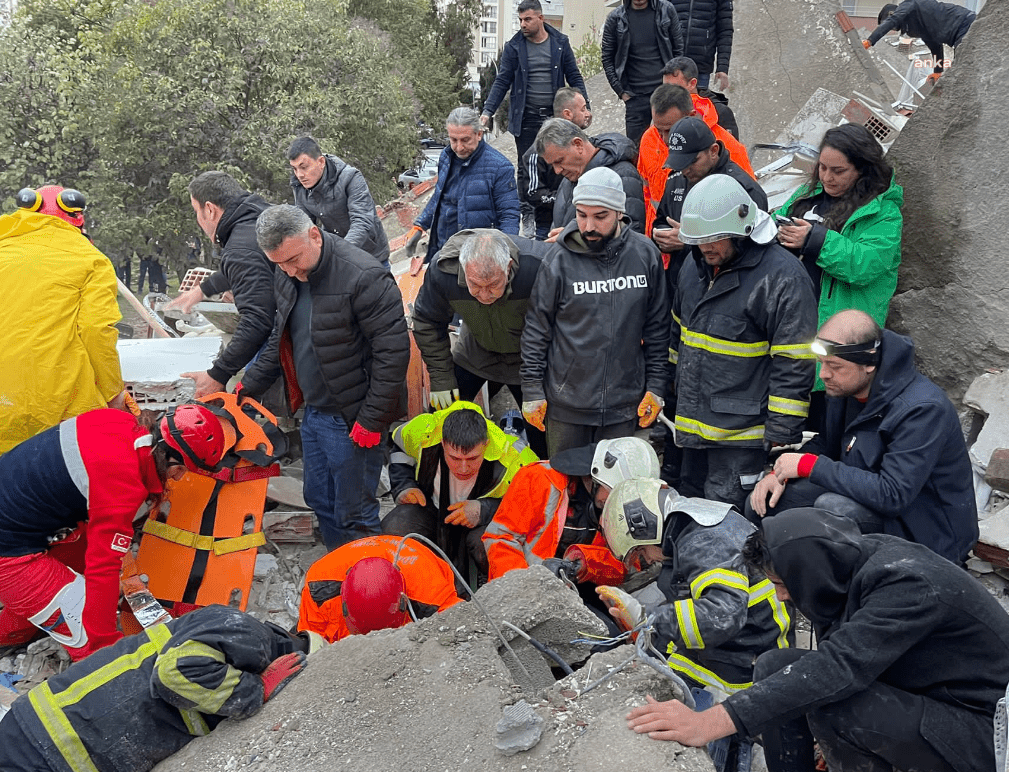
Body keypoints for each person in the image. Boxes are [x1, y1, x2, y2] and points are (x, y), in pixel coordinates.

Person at [626, 508, 1009, 772]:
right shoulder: (846, 560)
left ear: (808, 572)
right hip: (933, 699)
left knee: (833, 704)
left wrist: (708, 722)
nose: (779, 596)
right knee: (776, 666)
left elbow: (839, 667)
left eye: (779, 583)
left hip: (984, 732)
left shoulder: (909, 584)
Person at [0, 404, 232, 660]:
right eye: (181, 471)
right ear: (172, 461)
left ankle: (13, 631)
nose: (177, 478)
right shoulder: (122, 483)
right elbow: (104, 567)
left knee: (77, 569)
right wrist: (105, 647)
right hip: (9, 551)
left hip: (21, 519)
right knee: (89, 635)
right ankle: (84, 651)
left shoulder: (116, 421)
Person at [239, 205, 409, 551]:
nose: (289, 270)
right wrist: (249, 383)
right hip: (314, 412)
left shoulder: (364, 276)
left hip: (353, 417)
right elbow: (282, 336)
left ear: (314, 234)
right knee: (319, 499)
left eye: (293, 259)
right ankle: (339, 568)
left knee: (355, 511)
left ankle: (369, 584)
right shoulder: (289, 274)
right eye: (280, 264)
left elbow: (392, 357)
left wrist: (372, 420)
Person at [748, 310, 978, 565]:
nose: (823, 375)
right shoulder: (846, 389)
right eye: (821, 363)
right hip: (864, 498)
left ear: (869, 364)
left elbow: (893, 495)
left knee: (833, 509)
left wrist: (809, 466)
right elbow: (827, 444)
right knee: (765, 503)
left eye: (834, 366)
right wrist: (780, 472)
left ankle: (842, 590)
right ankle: (777, 582)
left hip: (926, 532)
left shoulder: (922, 410)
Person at [0, 604, 317, 772]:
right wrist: (253, 690)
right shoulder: (251, 636)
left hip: (51, 738)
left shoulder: (231, 638)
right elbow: (175, 672)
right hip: (49, 745)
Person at [669, 174, 817, 510]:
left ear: (743, 229)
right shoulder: (695, 268)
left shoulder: (783, 278)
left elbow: (794, 362)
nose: (706, 247)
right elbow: (679, 337)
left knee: (727, 518)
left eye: (715, 238)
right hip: (692, 428)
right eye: (699, 239)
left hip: (742, 438)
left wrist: (782, 430)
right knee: (689, 511)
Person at [652, 115, 768, 490]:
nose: (684, 173)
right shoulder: (678, 181)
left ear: (714, 151)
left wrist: (687, 243)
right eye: (679, 165)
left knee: (723, 481)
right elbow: (660, 223)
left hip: (730, 322)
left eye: (691, 163)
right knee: (686, 466)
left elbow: (749, 251)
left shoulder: (744, 192)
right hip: (687, 296)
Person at [521, 167, 668, 456]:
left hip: (625, 405)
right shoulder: (558, 261)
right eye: (581, 214)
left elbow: (658, 329)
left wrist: (657, 385)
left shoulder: (645, 254)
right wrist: (532, 390)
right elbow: (537, 330)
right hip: (567, 407)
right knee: (566, 487)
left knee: (616, 492)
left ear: (619, 213)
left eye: (600, 216)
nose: (588, 226)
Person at [599, 478, 792, 696]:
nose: (647, 560)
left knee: (659, 694)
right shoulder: (690, 525)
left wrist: (650, 619)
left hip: (746, 654)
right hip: (746, 637)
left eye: (640, 552)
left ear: (646, 528)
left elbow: (723, 617)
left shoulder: (705, 542)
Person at [775, 124, 903, 429]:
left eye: (838, 170)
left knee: (827, 431)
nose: (827, 177)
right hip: (793, 330)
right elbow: (773, 221)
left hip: (843, 344)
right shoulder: (808, 195)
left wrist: (816, 241)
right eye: (822, 167)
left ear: (861, 169)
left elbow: (866, 264)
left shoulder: (883, 212)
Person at [0, 185, 127, 454]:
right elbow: (95, 331)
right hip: (58, 409)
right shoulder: (91, 260)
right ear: (77, 219)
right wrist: (113, 393)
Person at [411, 228, 551, 457]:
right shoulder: (443, 272)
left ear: (508, 267)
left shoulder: (539, 265)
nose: (484, 296)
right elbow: (427, 321)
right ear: (464, 269)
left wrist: (538, 386)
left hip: (529, 360)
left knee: (543, 434)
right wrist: (441, 377)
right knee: (441, 421)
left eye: (494, 285)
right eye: (475, 285)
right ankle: (440, 483)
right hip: (476, 350)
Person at [381, 402, 537, 577]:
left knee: (492, 545)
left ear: (486, 444)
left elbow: (535, 507)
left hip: (485, 524)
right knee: (396, 527)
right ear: (442, 442)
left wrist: (484, 509)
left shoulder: (516, 457)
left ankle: (494, 588)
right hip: (431, 510)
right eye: (455, 458)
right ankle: (412, 583)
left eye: (472, 458)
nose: (463, 468)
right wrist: (404, 486)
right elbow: (398, 447)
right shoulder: (423, 430)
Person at [483, 437, 660, 584]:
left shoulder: (620, 506)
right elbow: (501, 539)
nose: (617, 503)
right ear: (598, 477)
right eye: (614, 494)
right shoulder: (538, 479)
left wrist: (585, 562)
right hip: (525, 582)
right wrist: (526, 583)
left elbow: (626, 565)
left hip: (581, 589)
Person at [163, 171, 276, 398]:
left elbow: (257, 320)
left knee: (249, 402)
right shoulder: (258, 217)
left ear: (210, 209)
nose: (198, 219)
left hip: (299, 345)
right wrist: (202, 290)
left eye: (196, 211)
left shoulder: (241, 247)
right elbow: (240, 268)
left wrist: (218, 375)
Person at [405, 107, 520, 276]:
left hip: (477, 256)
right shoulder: (446, 157)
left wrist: (503, 255)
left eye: (465, 140)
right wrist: (420, 224)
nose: (459, 147)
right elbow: (440, 196)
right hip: (443, 251)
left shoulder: (499, 167)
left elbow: (509, 215)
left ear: (479, 134)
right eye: (453, 140)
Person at [298, 534, 462, 643]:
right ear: (343, 603)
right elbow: (313, 642)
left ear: (403, 603)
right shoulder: (319, 586)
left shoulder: (434, 598)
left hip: (420, 565)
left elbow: (459, 628)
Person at [479, 0, 588, 160]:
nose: (523, 24)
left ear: (541, 18)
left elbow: (574, 76)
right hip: (526, 119)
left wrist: (586, 108)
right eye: (520, 20)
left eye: (528, 19)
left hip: (555, 117)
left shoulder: (560, 43)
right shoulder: (513, 47)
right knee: (527, 168)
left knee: (557, 166)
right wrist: (488, 111)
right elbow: (502, 81)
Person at [287, 135, 390, 268]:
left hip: (371, 255)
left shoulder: (350, 177)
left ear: (321, 162)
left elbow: (362, 222)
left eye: (304, 167)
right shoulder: (299, 186)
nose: (300, 175)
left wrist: (338, 254)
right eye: (295, 169)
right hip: (338, 259)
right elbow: (305, 227)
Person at [536, 118, 646, 235]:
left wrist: (573, 240)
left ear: (578, 144)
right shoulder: (570, 177)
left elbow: (630, 234)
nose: (557, 171)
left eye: (559, 161)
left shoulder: (622, 176)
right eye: (552, 164)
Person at [601, 0, 684, 144]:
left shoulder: (666, 10)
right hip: (634, 96)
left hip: (665, 93)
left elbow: (678, 49)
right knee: (635, 153)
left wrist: (674, 85)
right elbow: (607, 58)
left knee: (671, 146)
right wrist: (621, 91)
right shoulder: (615, 18)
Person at [518, 86, 593, 240]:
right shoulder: (536, 152)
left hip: (579, 223)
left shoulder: (587, 146)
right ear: (568, 114)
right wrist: (565, 200)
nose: (588, 114)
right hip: (547, 226)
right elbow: (533, 193)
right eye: (583, 109)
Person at [865, 0, 975, 80]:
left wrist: (870, 41)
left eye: (891, 26)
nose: (893, 29)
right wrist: (938, 71)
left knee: (963, 71)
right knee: (963, 71)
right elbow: (935, 47)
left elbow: (894, 20)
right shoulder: (920, 24)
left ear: (892, 14)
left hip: (966, 24)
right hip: (962, 30)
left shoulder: (909, 4)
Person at [662, 58, 744, 153]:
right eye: (664, 88)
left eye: (673, 88)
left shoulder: (720, 113)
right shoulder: (664, 109)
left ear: (692, 84)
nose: (667, 93)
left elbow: (733, 155)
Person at [666, 2, 733, 93]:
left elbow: (725, 31)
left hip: (700, 68)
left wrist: (722, 67)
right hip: (669, 65)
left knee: (696, 105)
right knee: (667, 105)